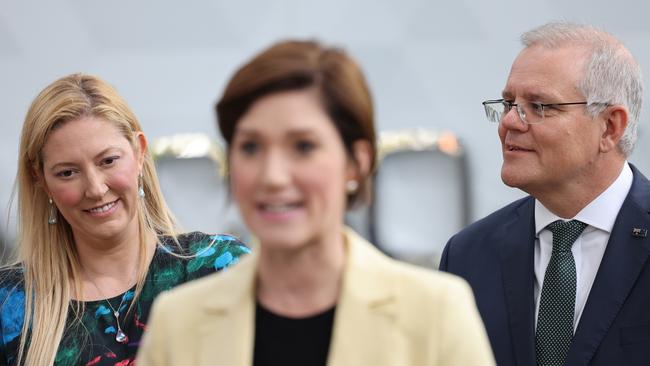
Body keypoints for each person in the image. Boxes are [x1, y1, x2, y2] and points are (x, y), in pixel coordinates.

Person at [137, 40, 495, 366]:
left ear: (357, 161)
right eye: (250, 147)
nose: (273, 176)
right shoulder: (179, 320)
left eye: (303, 147)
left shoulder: (435, 312)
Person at [0, 73, 250, 365]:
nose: (95, 188)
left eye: (108, 161)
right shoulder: (10, 304)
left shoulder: (219, 268)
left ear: (139, 152)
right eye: (68, 172)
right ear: (40, 179)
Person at [440, 22, 647, 366]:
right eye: (508, 103)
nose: (508, 122)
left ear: (610, 127)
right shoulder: (467, 256)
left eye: (540, 107)